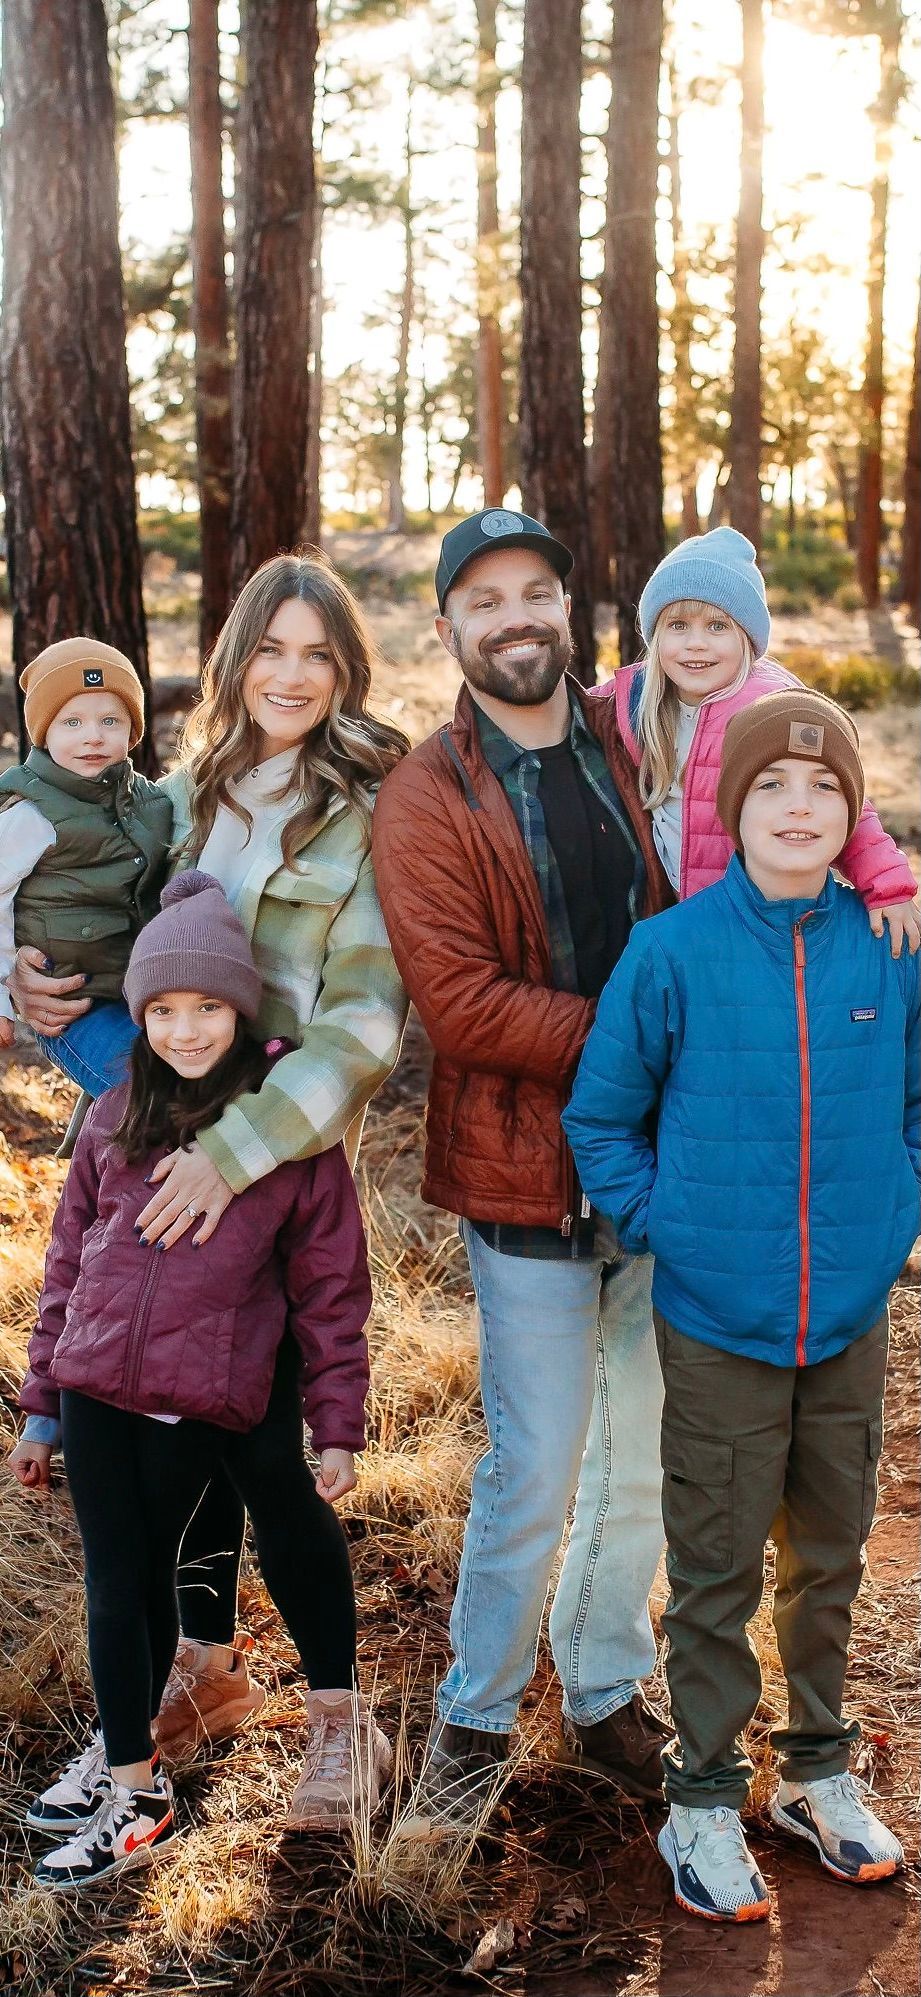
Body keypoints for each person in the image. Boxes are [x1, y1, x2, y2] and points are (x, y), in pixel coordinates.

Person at [10, 554, 409, 1758]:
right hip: (152, 1172)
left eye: (317, 654)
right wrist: (21, 980)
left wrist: (231, 1154)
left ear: (345, 671)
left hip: (274, 1171)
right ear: (235, 661)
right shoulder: (178, 797)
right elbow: (99, 935)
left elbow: (364, 1024)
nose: (291, 675)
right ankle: (207, 1663)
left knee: (266, 1455)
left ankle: (339, 1722)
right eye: (269, 649)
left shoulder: (368, 813)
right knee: (172, 1424)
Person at [563, 690, 919, 1923]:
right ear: (736, 806)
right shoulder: (672, 951)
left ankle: (815, 1770)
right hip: (718, 1316)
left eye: (825, 787)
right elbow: (601, 1118)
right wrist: (674, 1224)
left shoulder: (891, 944)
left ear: (852, 811)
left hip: (850, 1315)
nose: (799, 805)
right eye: (773, 785)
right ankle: (704, 1795)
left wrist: (892, 1216)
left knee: (829, 1553)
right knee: (715, 1566)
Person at [372, 508, 673, 1830]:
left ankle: (605, 1682)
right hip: (524, 1170)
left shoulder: (635, 739)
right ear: (447, 626)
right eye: (484, 599)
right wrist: (655, 1029)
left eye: (535, 591)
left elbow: (763, 732)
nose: (515, 617)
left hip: (660, 1161)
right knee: (535, 1464)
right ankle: (475, 1715)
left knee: (642, 1451)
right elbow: (461, 1003)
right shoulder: (426, 794)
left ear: (567, 607)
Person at [9, 873, 391, 1894]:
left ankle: (158, 1781)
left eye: (209, 1006)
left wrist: (337, 1422)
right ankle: (129, 1768)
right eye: (164, 1008)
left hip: (193, 1397)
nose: (185, 1029)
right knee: (115, 1582)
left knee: (147, 1565)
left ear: (242, 1010)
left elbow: (330, 1292)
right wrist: (41, 1405)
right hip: (94, 1389)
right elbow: (66, 1264)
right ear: (139, 1015)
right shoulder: (114, 1114)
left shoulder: (284, 1139)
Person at [608, 526, 919, 947]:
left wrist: (889, 887)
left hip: (764, 917)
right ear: (655, 635)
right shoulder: (637, 699)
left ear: (747, 638)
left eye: (717, 626)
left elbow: (844, 804)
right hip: (678, 914)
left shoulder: (770, 708)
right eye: (678, 625)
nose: (695, 644)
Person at [0, 638, 172, 1077]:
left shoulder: (153, 804)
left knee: (189, 1083)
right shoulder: (32, 814)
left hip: (148, 991)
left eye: (110, 720)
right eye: (72, 722)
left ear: (133, 731)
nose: (93, 735)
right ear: (44, 733)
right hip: (71, 1003)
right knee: (136, 1085)